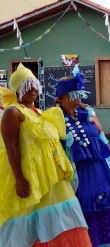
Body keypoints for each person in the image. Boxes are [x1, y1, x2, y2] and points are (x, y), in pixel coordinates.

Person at [0, 63, 92, 247]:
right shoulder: (12, 112)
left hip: (53, 179)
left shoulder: (41, 113)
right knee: (32, 228)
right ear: (18, 89)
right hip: (31, 178)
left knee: (65, 220)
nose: (33, 89)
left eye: (35, 84)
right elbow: (11, 147)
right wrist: (19, 179)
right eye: (27, 85)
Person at [55, 65, 110, 247]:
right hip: (79, 174)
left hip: (101, 169)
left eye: (78, 95)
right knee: (86, 208)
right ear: (61, 99)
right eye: (72, 96)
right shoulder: (56, 119)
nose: (76, 100)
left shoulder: (88, 113)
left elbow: (101, 137)